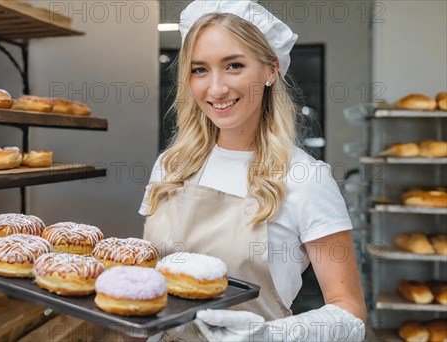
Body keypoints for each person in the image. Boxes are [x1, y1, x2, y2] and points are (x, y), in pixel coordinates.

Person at [139, 1, 366, 341]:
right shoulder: (171, 165)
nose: (215, 89)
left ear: (271, 70)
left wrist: (269, 336)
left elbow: (350, 310)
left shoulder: (305, 178)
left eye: (234, 65)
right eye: (200, 69)